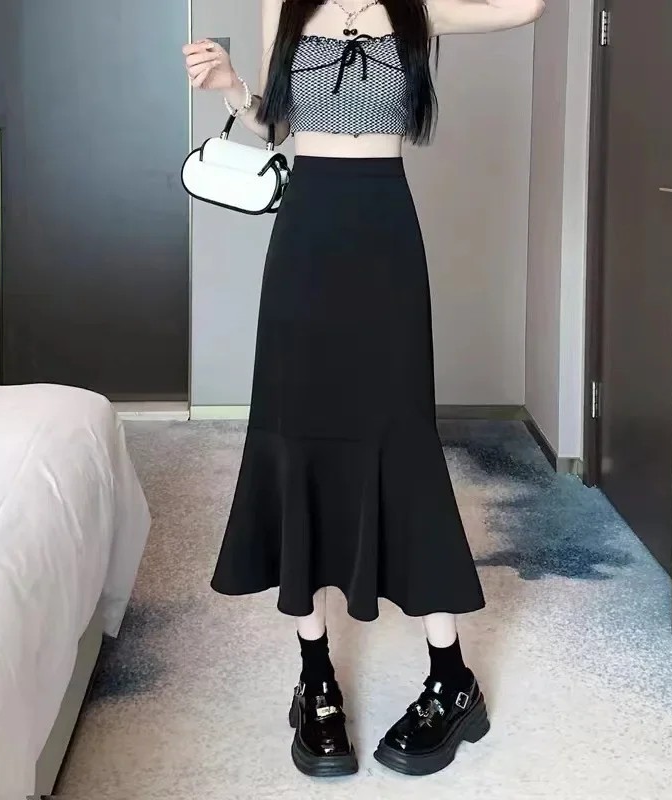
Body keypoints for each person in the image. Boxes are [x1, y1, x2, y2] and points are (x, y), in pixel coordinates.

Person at [183, 0, 545, 778]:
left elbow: (527, 7)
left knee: (401, 442)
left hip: (385, 236)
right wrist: (233, 87)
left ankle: (451, 679)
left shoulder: (420, 7)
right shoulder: (284, 4)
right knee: (298, 436)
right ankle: (314, 676)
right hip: (304, 238)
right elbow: (275, 124)